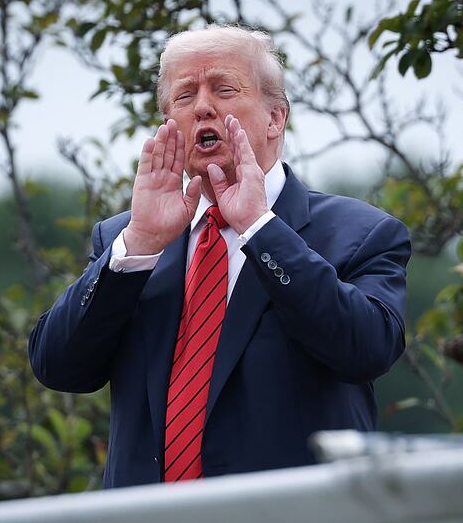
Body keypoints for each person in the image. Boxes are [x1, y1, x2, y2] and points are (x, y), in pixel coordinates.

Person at [28, 25, 411, 488]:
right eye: (184, 95)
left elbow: (366, 348)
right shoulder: (127, 240)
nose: (204, 106)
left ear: (275, 118)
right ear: (168, 121)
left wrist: (260, 229)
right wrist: (139, 244)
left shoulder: (361, 233)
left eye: (225, 89)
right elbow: (58, 366)